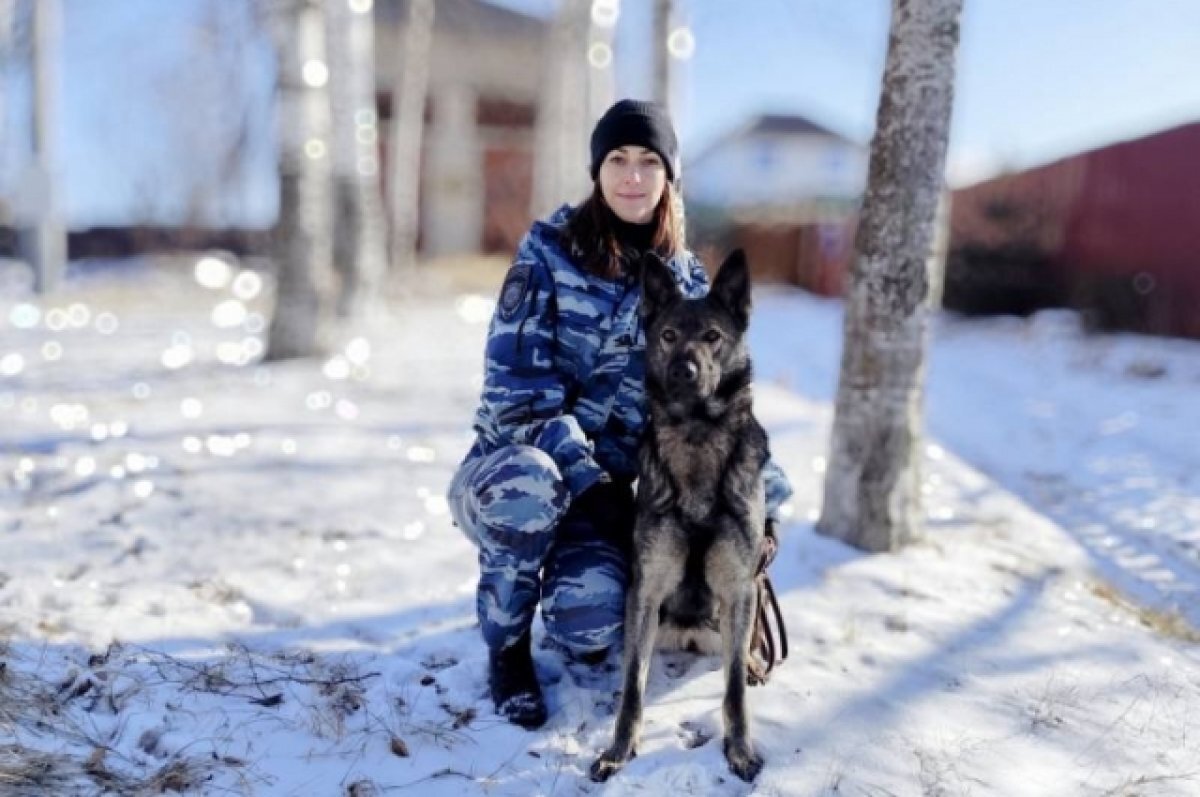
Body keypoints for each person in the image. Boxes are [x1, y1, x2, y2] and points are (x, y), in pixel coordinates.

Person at [447, 99, 793, 729]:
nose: (632, 175)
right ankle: (507, 650)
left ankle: (563, 586)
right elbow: (515, 399)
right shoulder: (546, 257)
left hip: (604, 499)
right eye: (617, 159)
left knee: (592, 623)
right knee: (530, 486)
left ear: (669, 178)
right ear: (596, 171)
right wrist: (588, 483)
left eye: (648, 161)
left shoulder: (685, 283)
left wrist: (765, 502)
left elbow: (720, 405)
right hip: (513, 474)